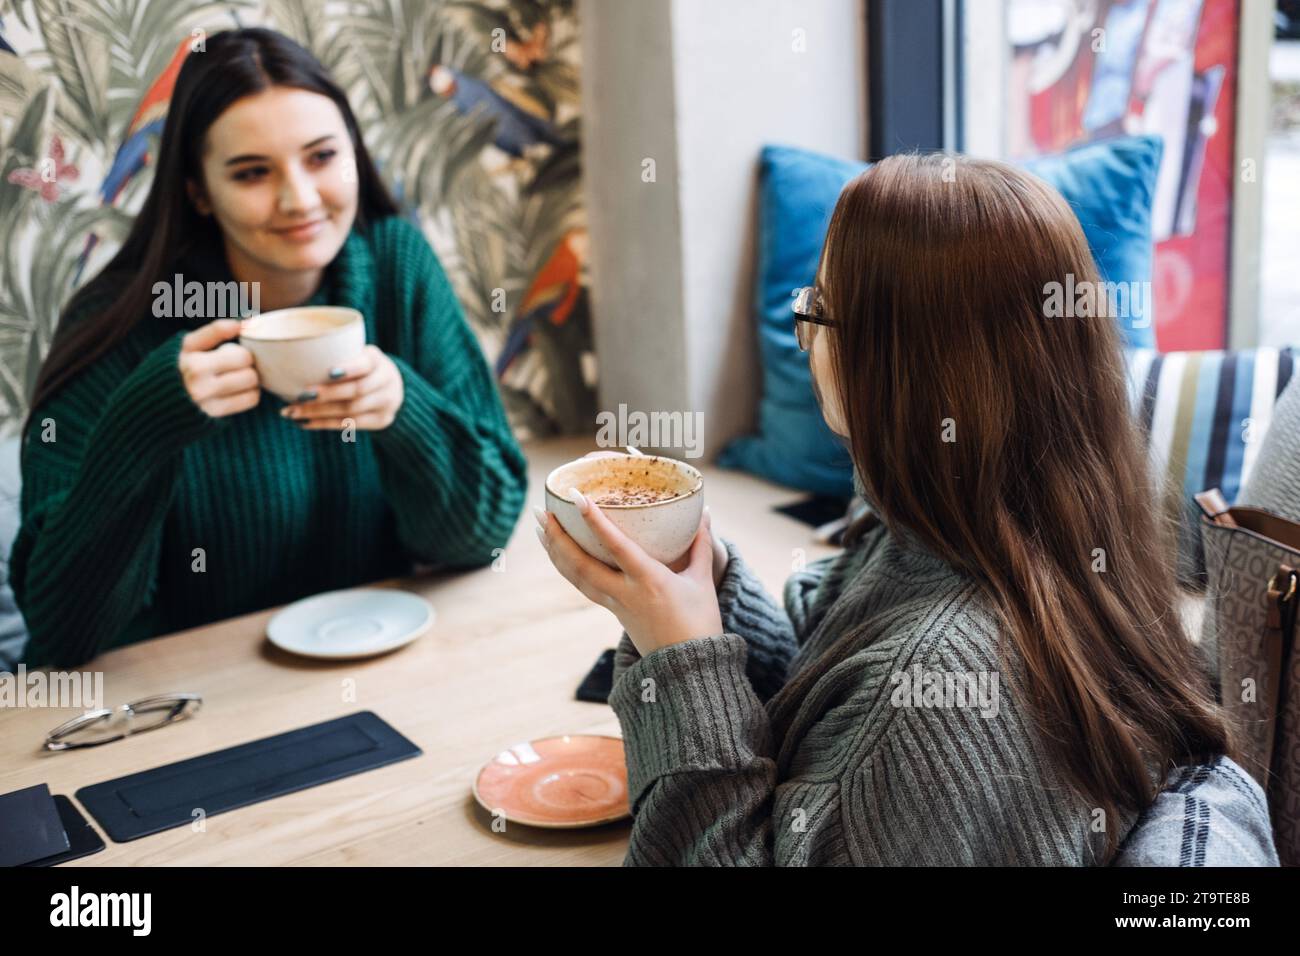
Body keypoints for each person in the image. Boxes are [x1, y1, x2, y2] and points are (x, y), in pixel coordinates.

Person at [536, 153, 1274, 865]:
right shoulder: (1002, 538)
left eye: (817, 309)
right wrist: (712, 591)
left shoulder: (935, 700)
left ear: (901, 366)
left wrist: (682, 663)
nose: (803, 333)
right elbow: (827, 707)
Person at [13, 28, 527, 667]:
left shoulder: (396, 265)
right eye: (252, 172)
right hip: (193, 701)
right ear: (198, 190)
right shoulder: (120, 324)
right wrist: (145, 426)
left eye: (320, 157)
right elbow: (63, 634)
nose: (299, 199)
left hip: (384, 670)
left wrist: (405, 412)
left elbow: (481, 540)